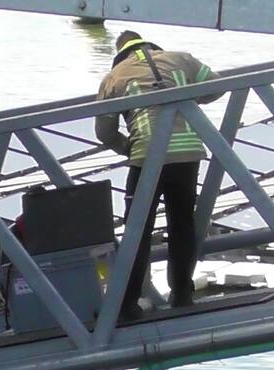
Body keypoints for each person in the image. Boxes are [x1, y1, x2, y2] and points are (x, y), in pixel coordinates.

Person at [95, 30, 220, 318]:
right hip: (188, 153)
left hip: (146, 157)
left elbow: (104, 132)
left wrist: (127, 147)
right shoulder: (181, 59)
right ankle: (182, 294)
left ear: (120, 53)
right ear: (151, 45)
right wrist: (188, 98)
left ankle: (127, 304)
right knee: (182, 224)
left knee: (137, 231)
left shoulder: (114, 77)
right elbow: (217, 86)